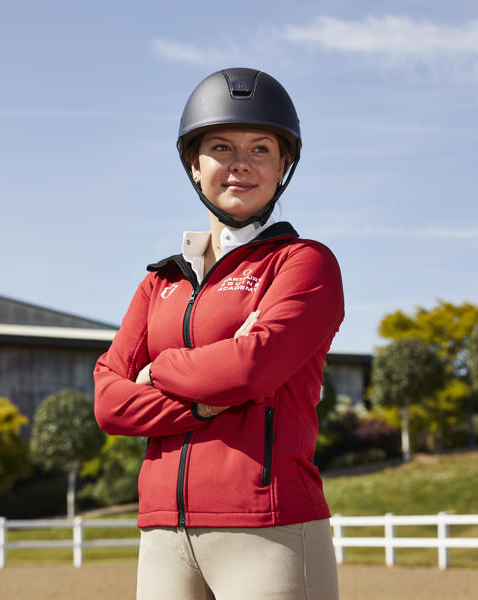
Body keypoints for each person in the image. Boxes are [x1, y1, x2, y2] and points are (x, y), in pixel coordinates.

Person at [94, 67, 344, 600]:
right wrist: (207, 401)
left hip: (269, 529)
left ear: (283, 166)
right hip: (163, 533)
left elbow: (252, 369)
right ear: (194, 162)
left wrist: (160, 369)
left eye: (260, 149)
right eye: (222, 147)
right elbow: (109, 403)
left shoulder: (304, 264)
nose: (240, 165)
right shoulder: (159, 280)